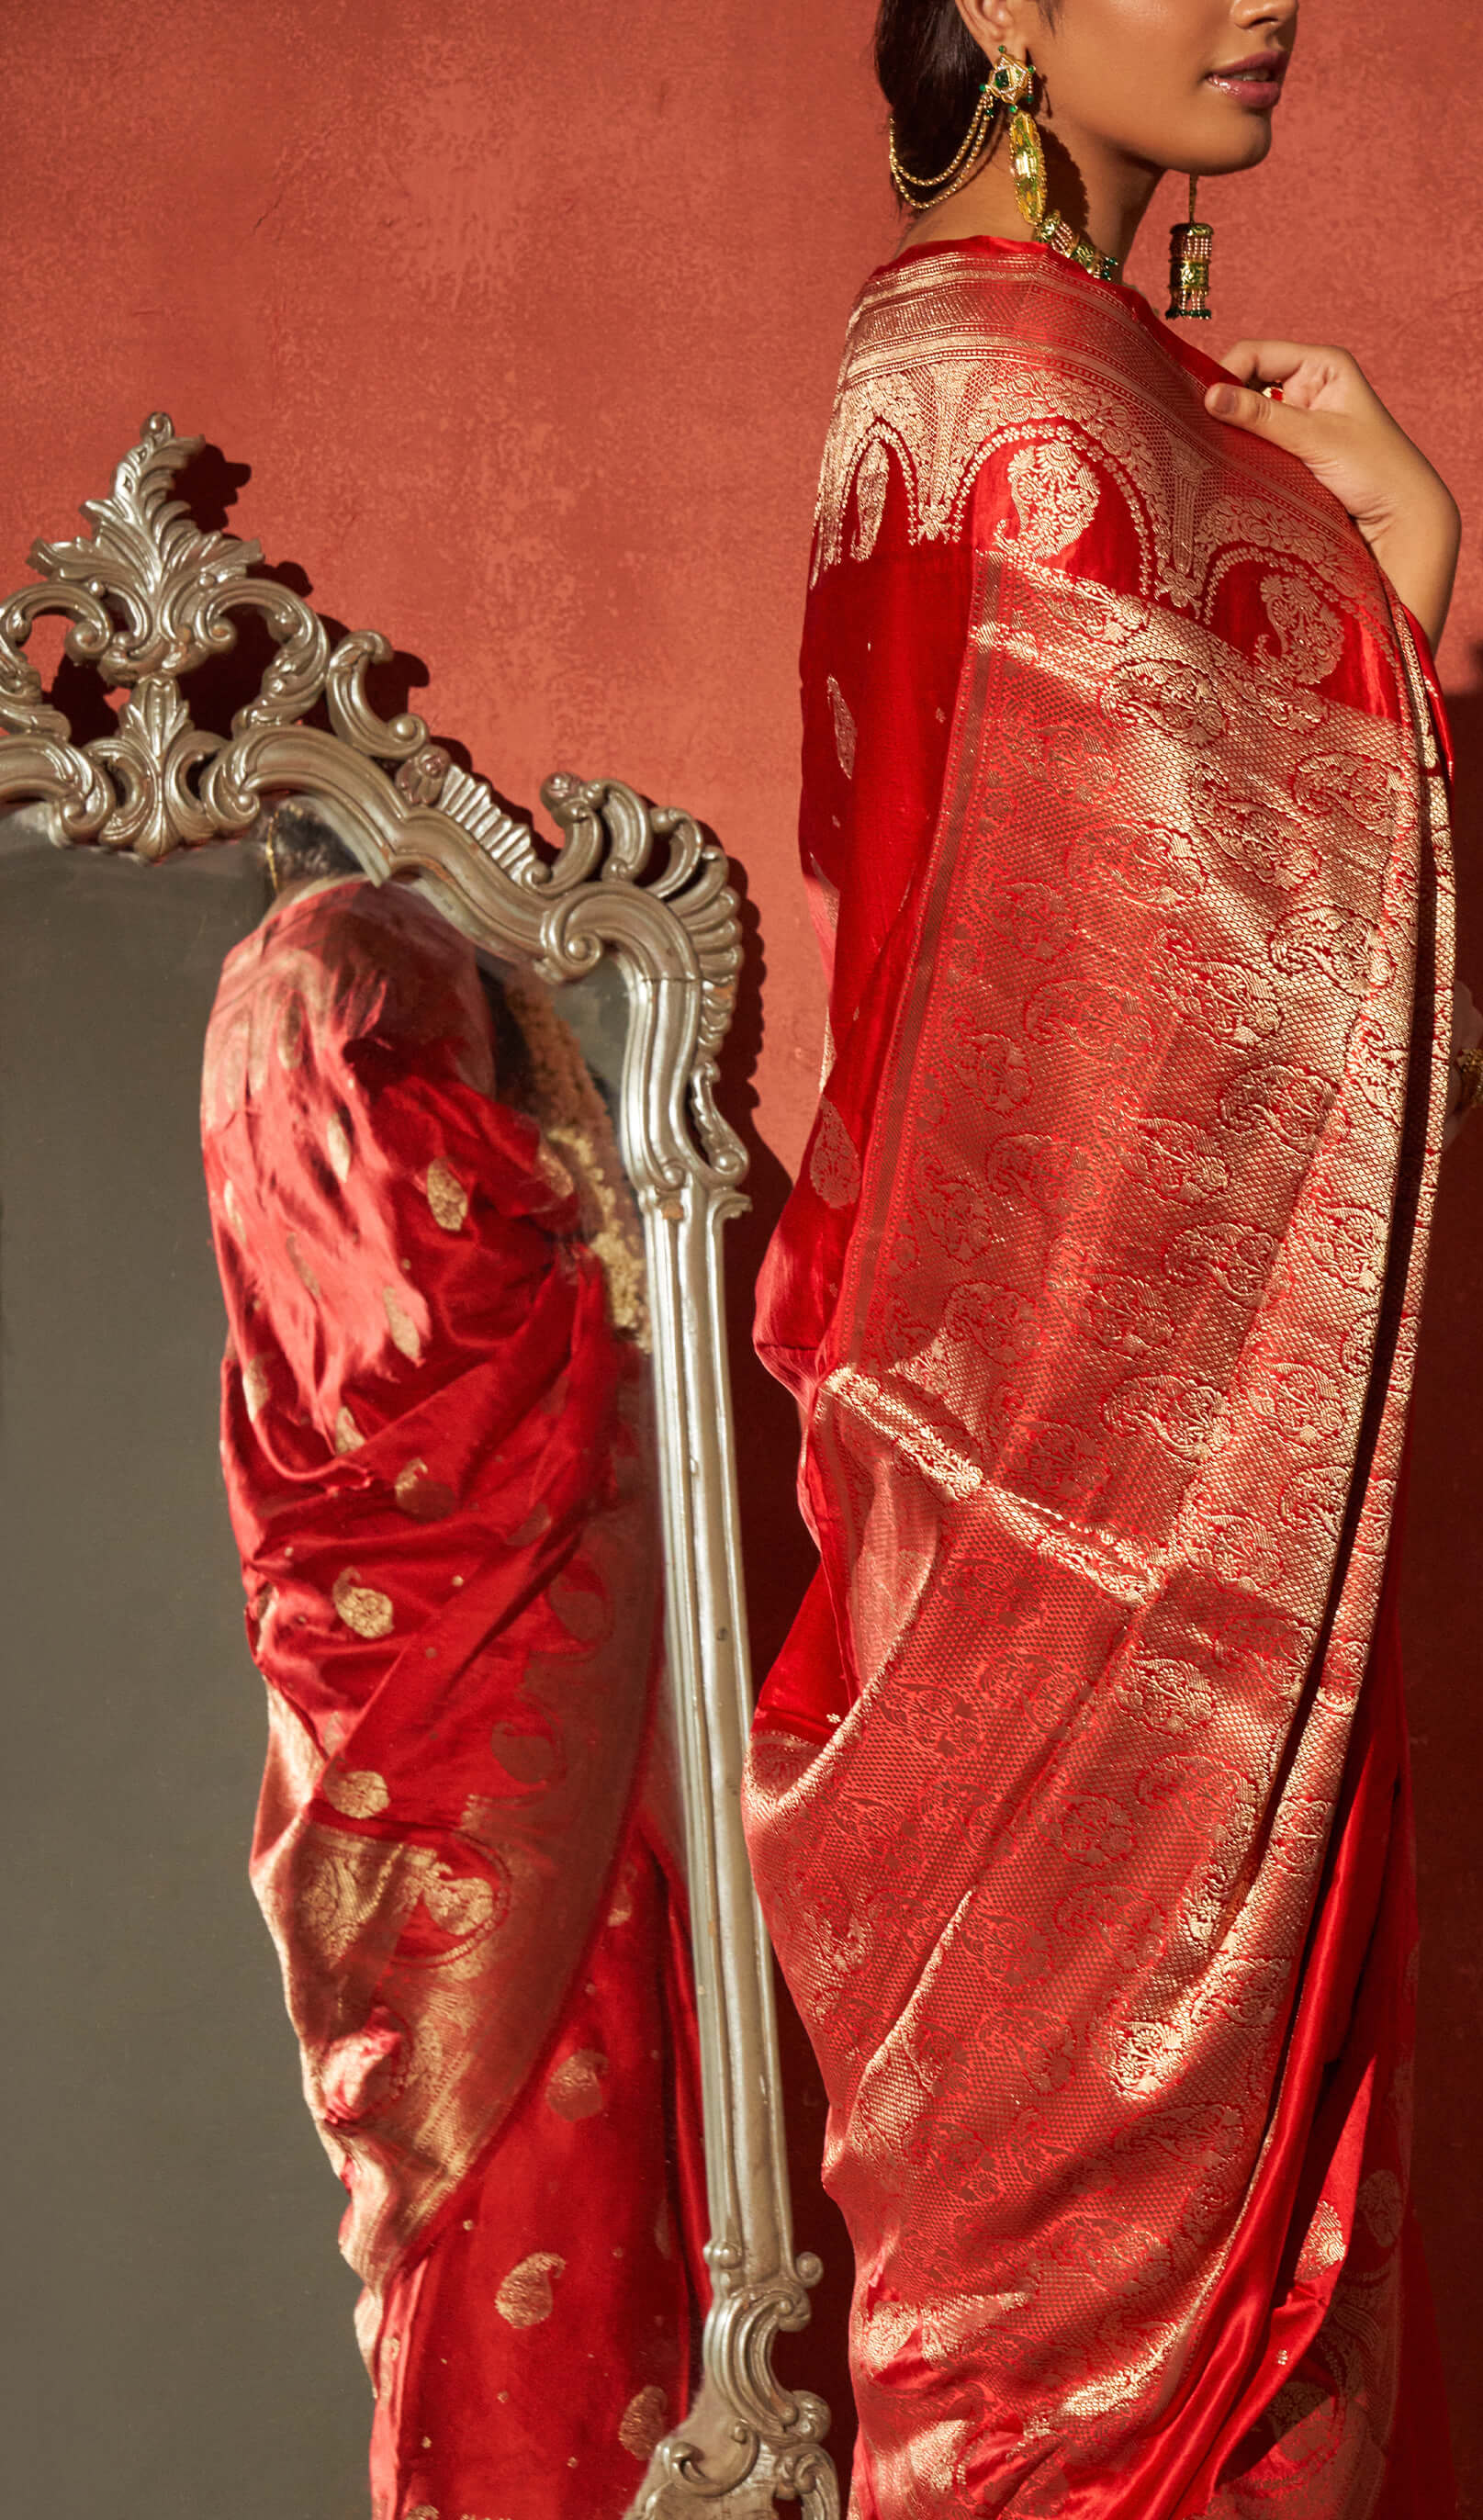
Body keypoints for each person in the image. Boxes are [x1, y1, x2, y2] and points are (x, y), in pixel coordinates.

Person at [745, 0, 1468, 2519]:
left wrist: (1377, 587)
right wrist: (1402, 598)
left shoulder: (1054, 379)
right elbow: (1129, 1069)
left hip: (1134, 1532)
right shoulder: (1016, 400)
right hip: (1088, 1558)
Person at [200, 805, 705, 2520]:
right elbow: (430, 1252)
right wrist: (580, 1201)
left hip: (388, 1658)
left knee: (508, 2174)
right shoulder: (355, 955)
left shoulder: (258, 1014)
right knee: (529, 2147)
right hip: (470, 1658)